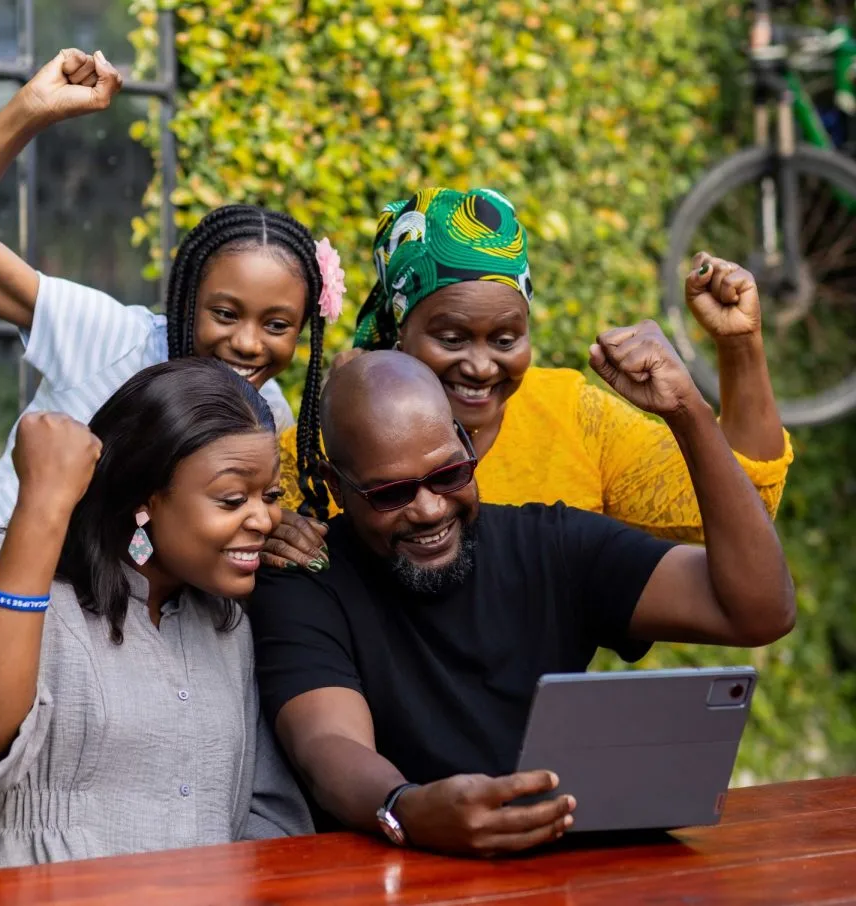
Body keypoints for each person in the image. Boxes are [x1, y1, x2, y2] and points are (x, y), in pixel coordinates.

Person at [0, 48, 345, 815]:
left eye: (278, 325)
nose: (248, 345)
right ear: (187, 293)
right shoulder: (109, 335)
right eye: (224, 312)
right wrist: (31, 110)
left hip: (102, 638)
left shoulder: (271, 419)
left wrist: (277, 533)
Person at [248, 348, 795, 857]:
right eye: (390, 493)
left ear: (467, 443)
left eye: (449, 474)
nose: (429, 509)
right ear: (335, 488)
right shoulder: (306, 577)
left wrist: (689, 415)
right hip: (405, 875)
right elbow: (327, 742)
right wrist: (404, 807)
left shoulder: (553, 544)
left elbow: (758, 609)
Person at [0, 358, 312, 876]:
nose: (265, 518)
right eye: (232, 499)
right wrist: (45, 501)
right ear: (145, 499)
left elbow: (267, 818)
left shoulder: (226, 624)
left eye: (270, 496)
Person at [266, 187, 792, 571]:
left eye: (505, 339)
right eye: (450, 339)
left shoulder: (574, 418)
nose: (480, 365)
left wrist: (740, 345)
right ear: (400, 330)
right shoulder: (330, 442)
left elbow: (745, 502)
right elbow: (240, 531)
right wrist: (272, 536)